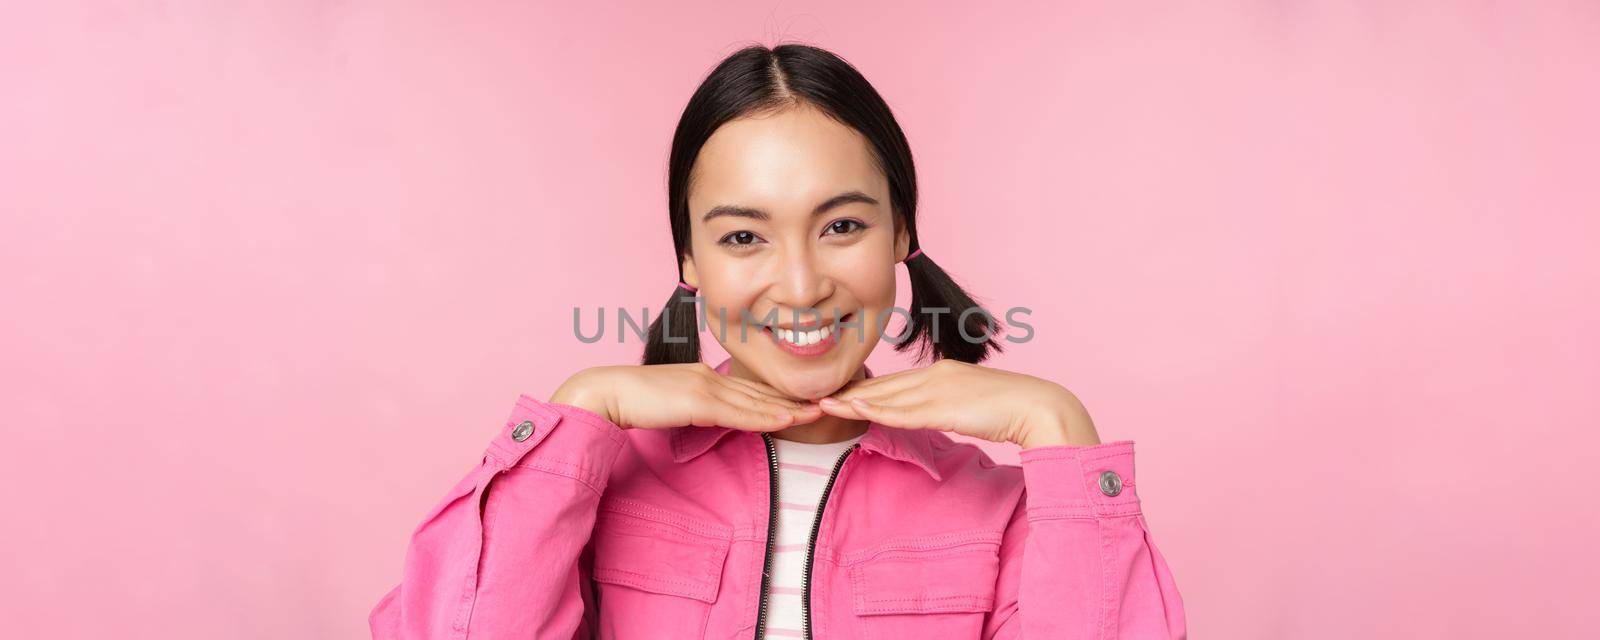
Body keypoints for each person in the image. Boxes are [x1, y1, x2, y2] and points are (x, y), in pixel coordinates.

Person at [369, 43, 1187, 639]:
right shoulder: (598, 478)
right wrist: (582, 409)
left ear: (901, 230)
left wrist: (1060, 430)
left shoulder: (1003, 509)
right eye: (742, 238)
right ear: (688, 257)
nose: (799, 286)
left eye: (840, 225)